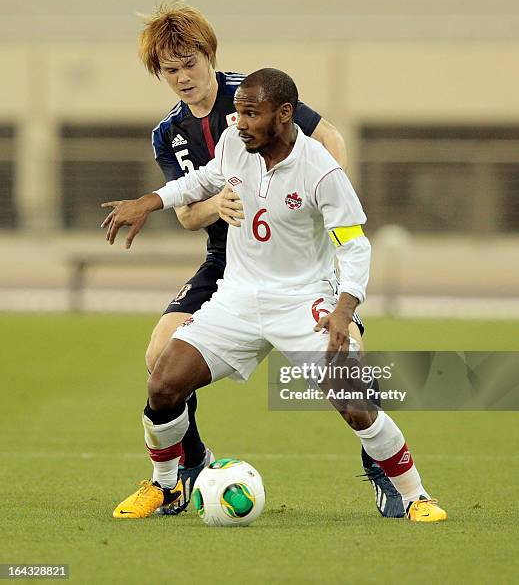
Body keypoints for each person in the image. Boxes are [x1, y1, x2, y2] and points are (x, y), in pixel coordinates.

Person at [102, 68, 447, 523]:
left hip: (302, 300)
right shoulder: (234, 144)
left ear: (284, 115)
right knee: (163, 383)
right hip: (237, 299)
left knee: (353, 398)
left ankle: (415, 495)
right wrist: (149, 201)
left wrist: (345, 308)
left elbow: (355, 245)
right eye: (238, 112)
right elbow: (201, 181)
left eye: (250, 114)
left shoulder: (320, 170)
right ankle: (167, 487)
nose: (238, 122)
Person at [132, 1, 403, 517]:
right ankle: (188, 467)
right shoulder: (167, 134)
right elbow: (189, 216)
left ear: (210, 55)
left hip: (296, 256)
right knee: (159, 356)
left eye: (191, 63)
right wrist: (218, 202)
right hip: (227, 259)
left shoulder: (252, 94)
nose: (183, 77)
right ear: (159, 74)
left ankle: (382, 471)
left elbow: (330, 141)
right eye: (171, 70)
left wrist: (312, 209)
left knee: (346, 361)